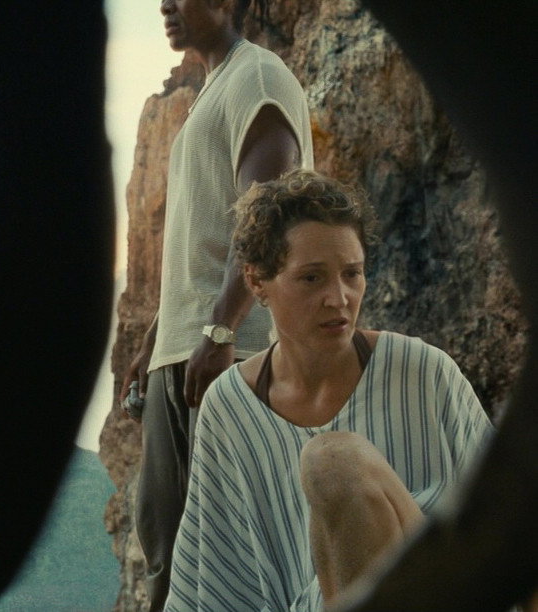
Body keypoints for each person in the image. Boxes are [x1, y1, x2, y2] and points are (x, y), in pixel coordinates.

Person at [164, 170, 491, 610]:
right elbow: (213, 580)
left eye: (352, 274)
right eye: (312, 278)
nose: (339, 298)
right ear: (257, 281)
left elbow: (516, 521)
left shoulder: (422, 371)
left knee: (333, 462)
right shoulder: (230, 408)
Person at [117, 0, 314, 609]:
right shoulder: (213, 89)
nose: (165, 5)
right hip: (185, 351)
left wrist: (221, 329)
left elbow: (265, 220)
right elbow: (204, 232)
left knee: (232, 550)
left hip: (234, 352)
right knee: (165, 544)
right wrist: (157, 334)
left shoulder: (258, 78)